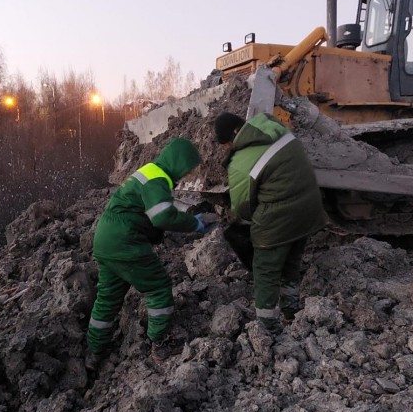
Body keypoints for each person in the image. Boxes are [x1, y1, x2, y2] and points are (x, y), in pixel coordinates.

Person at [86, 137, 217, 365]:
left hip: (105, 240)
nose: (187, 175)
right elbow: (162, 216)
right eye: (188, 169)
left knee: (108, 298)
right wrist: (193, 224)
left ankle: (94, 352)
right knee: (158, 288)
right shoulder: (157, 179)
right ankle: (160, 344)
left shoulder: (149, 172)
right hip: (125, 241)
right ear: (179, 163)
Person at [214, 111, 330, 333]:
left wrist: (246, 231)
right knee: (291, 261)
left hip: (279, 220)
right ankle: (291, 308)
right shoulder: (273, 127)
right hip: (309, 209)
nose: (224, 149)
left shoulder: (240, 162)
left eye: (225, 144)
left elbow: (243, 209)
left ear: (233, 136)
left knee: (265, 269)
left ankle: (268, 327)